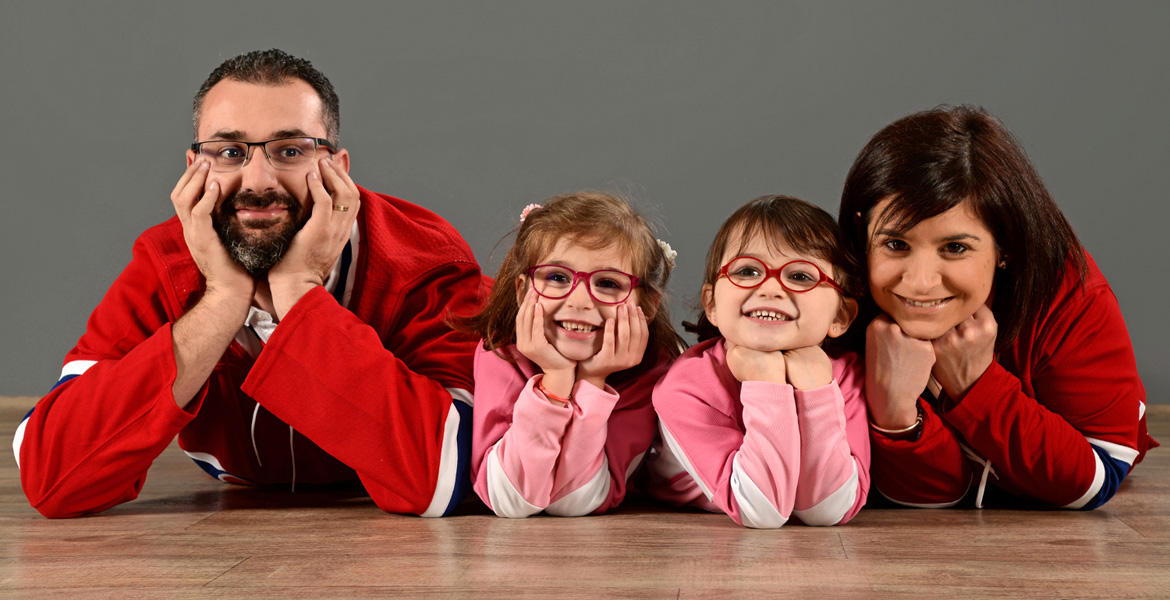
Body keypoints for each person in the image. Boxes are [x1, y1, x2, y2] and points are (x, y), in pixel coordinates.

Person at [14, 49, 487, 518]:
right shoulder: (165, 260)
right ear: (194, 168)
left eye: (290, 150)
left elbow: (446, 474)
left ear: (338, 169)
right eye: (229, 152)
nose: (258, 181)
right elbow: (51, 476)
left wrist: (299, 291)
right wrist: (222, 299)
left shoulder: (424, 259)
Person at [838, 105, 1157, 509]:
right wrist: (895, 413)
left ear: (1005, 243)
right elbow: (933, 496)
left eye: (955, 248)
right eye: (895, 244)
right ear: (861, 229)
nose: (919, 282)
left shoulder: (1068, 291)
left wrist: (977, 384)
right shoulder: (841, 299)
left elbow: (1096, 477)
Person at [650, 195, 870, 528]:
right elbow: (761, 511)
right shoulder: (685, 385)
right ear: (711, 304)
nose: (770, 288)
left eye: (800, 276)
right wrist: (765, 384)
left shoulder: (844, 376)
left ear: (840, 315)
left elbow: (827, 510)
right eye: (748, 271)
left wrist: (816, 391)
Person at [464, 192, 685, 517]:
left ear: (647, 307)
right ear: (523, 290)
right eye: (557, 277)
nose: (580, 301)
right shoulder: (501, 349)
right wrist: (554, 382)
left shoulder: (652, 372)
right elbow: (509, 498)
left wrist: (594, 382)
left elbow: (577, 501)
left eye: (609, 282)